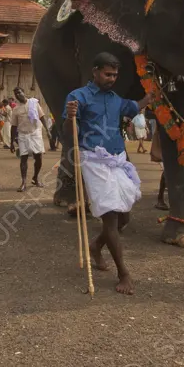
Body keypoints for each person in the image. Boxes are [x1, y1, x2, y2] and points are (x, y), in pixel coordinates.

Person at [64, 52, 154, 295]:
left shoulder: (116, 100)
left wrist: (153, 93)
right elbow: (66, 129)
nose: (111, 78)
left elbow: (138, 105)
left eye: (115, 74)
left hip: (118, 159)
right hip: (93, 160)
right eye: (107, 74)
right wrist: (71, 116)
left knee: (124, 217)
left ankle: (96, 245)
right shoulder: (77, 97)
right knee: (112, 218)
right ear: (95, 71)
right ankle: (123, 273)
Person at [11, 87, 45, 192]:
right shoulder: (16, 109)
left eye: (19, 92)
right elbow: (14, 126)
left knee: (38, 157)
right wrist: (11, 142)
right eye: (16, 94)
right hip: (23, 135)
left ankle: (35, 177)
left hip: (35, 133)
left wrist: (47, 131)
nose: (18, 95)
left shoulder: (34, 103)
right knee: (23, 158)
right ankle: (24, 182)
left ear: (24, 92)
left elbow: (42, 116)